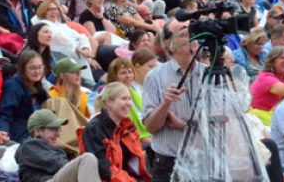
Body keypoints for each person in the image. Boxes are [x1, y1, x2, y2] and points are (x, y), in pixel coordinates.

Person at [141, 27, 206, 182]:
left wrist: (184, 125)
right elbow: (150, 127)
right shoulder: (155, 76)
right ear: (170, 44)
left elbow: (221, 122)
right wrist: (165, 104)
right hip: (168, 163)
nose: (191, 38)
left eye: (192, 34)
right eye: (184, 34)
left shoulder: (208, 73)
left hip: (203, 160)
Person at [80, 82, 150, 181]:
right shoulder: (94, 129)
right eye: (124, 99)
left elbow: (137, 162)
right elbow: (105, 170)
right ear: (109, 102)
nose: (129, 103)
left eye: (130, 99)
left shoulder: (128, 127)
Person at [17, 109, 102, 182]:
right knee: (87, 158)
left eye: (58, 129)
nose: (58, 134)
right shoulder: (29, 146)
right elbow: (58, 165)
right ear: (38, 131)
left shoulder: (44, 148)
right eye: (53, 129)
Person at [0, 50, 50, 142]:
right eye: (32, 68)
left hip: (39, 134)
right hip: (20, 135)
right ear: (23, 69)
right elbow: (4, 115)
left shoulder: (39, 87)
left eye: (40, 67)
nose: (37, 71)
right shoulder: (13, 86)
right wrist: (4, 136)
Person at [43, 58, 90, 156]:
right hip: (61, 141)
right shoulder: (52, 95)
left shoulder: (83, 96)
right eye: (73, 72)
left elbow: (86, 120)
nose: (78, 74)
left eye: (79, 72)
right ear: (62, 75)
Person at [249, 46, 284, 125]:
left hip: (274, 118)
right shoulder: (265, 78)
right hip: (260, 120)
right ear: (272, 62)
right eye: (282, 58)